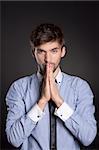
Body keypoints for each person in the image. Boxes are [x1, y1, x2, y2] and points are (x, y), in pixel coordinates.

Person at [5, 23, 97, 150]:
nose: (48, 59)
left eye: (54, 51)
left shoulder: (80, 87)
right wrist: (41, 102)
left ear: (63, 51)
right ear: (34, 53)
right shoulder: (18, 88)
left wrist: (59, 101)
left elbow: (88, 138)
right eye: (42, 52)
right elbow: (14, 139)